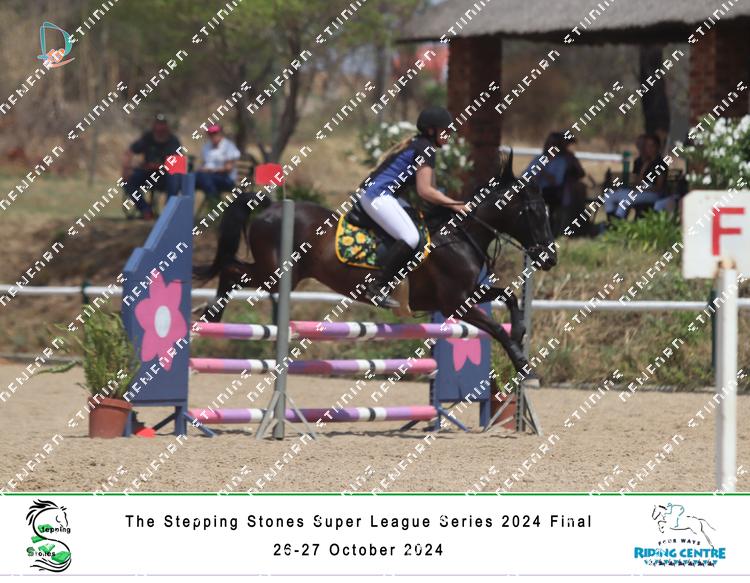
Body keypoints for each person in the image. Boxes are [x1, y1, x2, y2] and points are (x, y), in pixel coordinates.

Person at [359, 106, 470, 307]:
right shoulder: (424, 148)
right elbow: (425, 191)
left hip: (382, 195)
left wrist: (451, 205)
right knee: (411, 237)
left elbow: (432, 191)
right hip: (377, 196)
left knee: (417, 222)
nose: (449, 134)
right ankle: (377, 287)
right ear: (431, 130)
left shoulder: (424, 146)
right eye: (446, 130)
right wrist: (455, 205)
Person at [122, 114, 182, 220]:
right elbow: (130, 151)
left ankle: (169, 212)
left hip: (165, 177)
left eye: (162, 124)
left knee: (175, 177)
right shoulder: (147, 138)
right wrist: (126, 169)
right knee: (128, 181)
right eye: (158, 124)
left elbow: (177, 164)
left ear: (167, 126)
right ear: (154, 125)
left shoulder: (173, 141)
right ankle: (145, 210)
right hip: (147, 175)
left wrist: (157, 166)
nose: (160, 127)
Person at [605, 133, 669, 220]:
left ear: (658, 147)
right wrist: (643, 169)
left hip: (653, 194)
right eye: (647, 146)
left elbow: (659, 187)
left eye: (652, 146)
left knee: (626, 199)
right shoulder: (643, 162)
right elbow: (637, 183)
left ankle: (618, 222)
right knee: (609, 196)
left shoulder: (661, 163)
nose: (649, 149)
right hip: (640, 190)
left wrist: (643, 189)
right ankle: (611, 221)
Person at [195, 124, 241, 202]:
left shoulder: (228, 146)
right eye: (210, 134)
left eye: (215, 133)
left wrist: (210, 170)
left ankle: (214, 202)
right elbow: (203, 163)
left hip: (226, 178)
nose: (213, 136)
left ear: (220, 133)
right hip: (207, 177)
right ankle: (185, 204)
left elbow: (228, 168)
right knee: (191, 177)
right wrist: (201, 169)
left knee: (204, 178)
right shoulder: (206, 147)